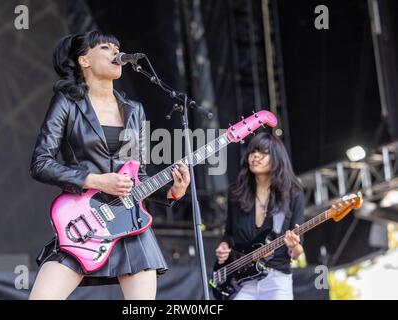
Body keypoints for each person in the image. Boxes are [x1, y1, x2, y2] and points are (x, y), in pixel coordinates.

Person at [28, 30, 190, 300]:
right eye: (105, 47)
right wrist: (95, 180)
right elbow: (40, 163)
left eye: (117, 47)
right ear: (84, 61)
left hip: (130, 224)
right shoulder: (68, 103)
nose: (116, 52)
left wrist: (172, 192)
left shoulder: (134, 110)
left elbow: (139, 176)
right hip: (85, 221)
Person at [215, 132, 304, 300]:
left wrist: (294, 246)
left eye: (263, 152)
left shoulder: (293, 194)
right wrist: (224, 246)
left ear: (277, 158)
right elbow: (229, 233)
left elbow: (298, 253)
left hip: (277, 278)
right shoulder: (236, 193)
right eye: (253, 151)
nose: (255, 156)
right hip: (242, 281)